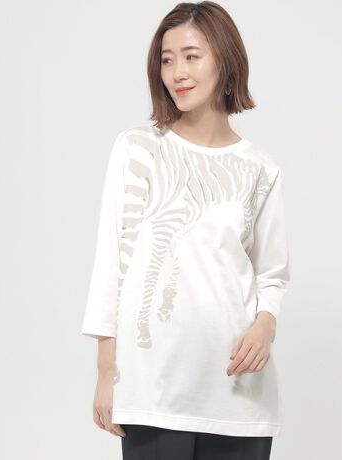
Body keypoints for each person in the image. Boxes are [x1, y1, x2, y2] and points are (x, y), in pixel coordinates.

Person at [81, 2, 291, 459]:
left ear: (225, 60)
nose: (177, 72)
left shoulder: (260, 168)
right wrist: (106, 372)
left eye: (192, 56)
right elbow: (110, 263)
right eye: (167, 59)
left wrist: (265, 326)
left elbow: (272, 274)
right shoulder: (137, 149)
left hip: (237, 392)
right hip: (152, 390)